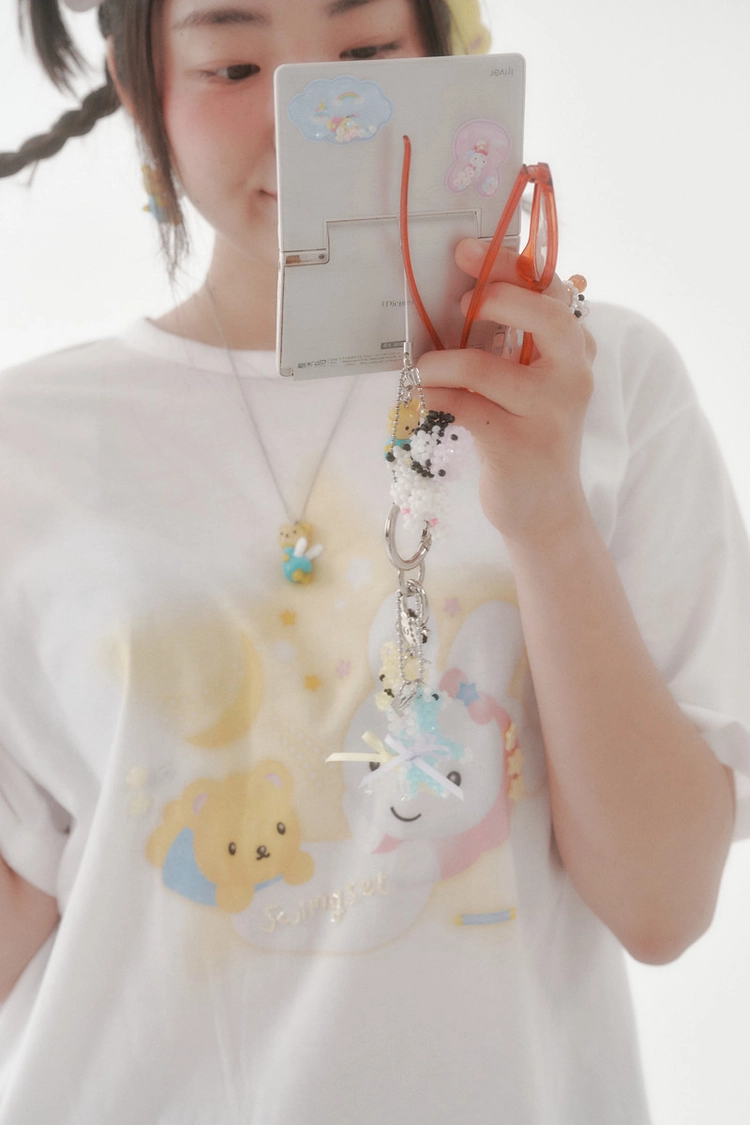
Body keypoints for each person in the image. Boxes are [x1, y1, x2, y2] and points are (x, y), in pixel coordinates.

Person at [0, 1, 748, 1122]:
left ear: (450, 52)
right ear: (140, 83)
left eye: (365, 54)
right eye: (235, 66)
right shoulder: (28, 444)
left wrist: (547, 516)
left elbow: (664, 903)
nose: (319, 119)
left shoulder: (597, 382)